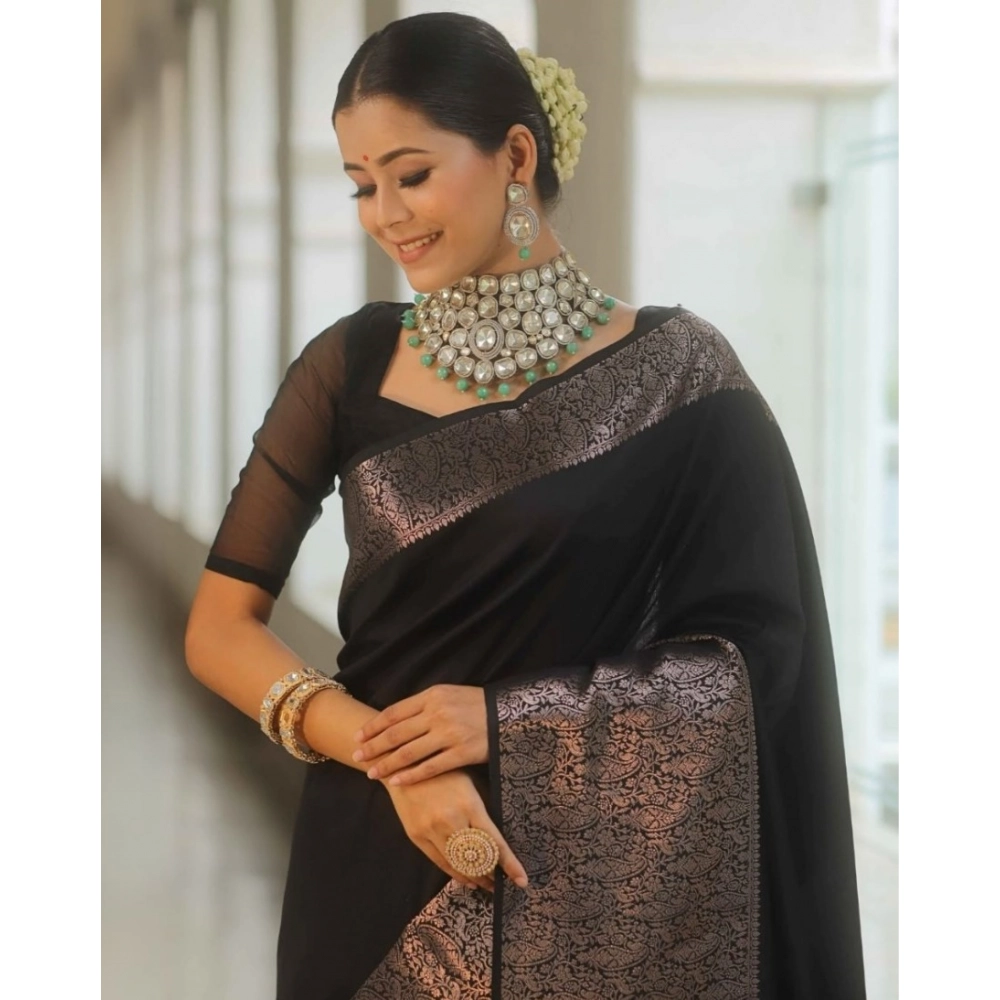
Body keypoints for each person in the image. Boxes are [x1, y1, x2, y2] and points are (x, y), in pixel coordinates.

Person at [185, 12, 867, 1000]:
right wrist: (393, 762)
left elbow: (760, 660)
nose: (385, 214)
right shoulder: (348, 364)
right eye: (362, 184)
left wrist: (507, 722)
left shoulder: (680, 379)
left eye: (411, 174)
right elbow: (219, 627)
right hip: (376, 851)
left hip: (598, 893)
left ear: (515, 155)